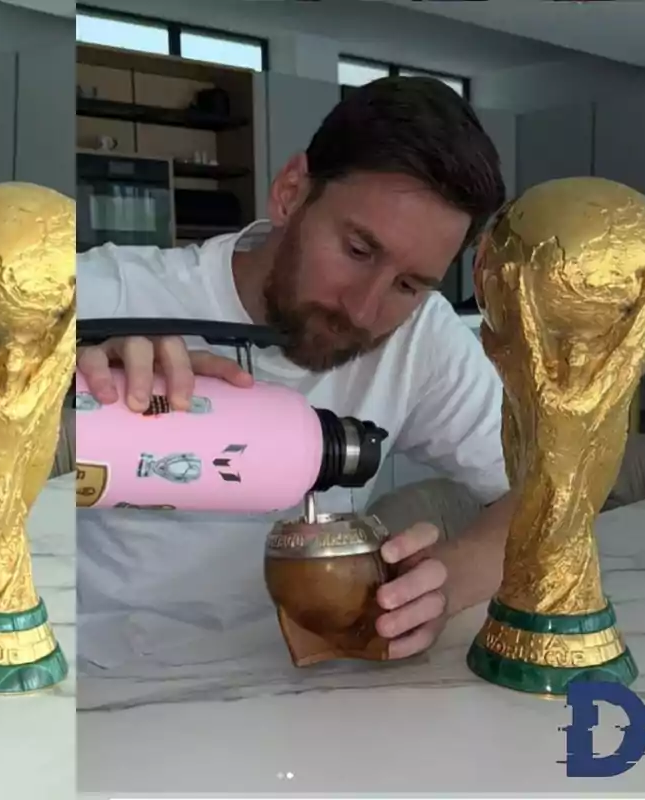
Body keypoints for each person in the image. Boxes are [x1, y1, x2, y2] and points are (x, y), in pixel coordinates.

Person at [75, 76, 513, 670]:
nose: (364, 310)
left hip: (315, 687)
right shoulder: (107, 292)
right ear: (289, 193)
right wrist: (67, 396)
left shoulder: (421, 335)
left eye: (409, 284)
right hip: (102, 685)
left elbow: (549, 491)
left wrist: (448, 583)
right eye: (358, 251)